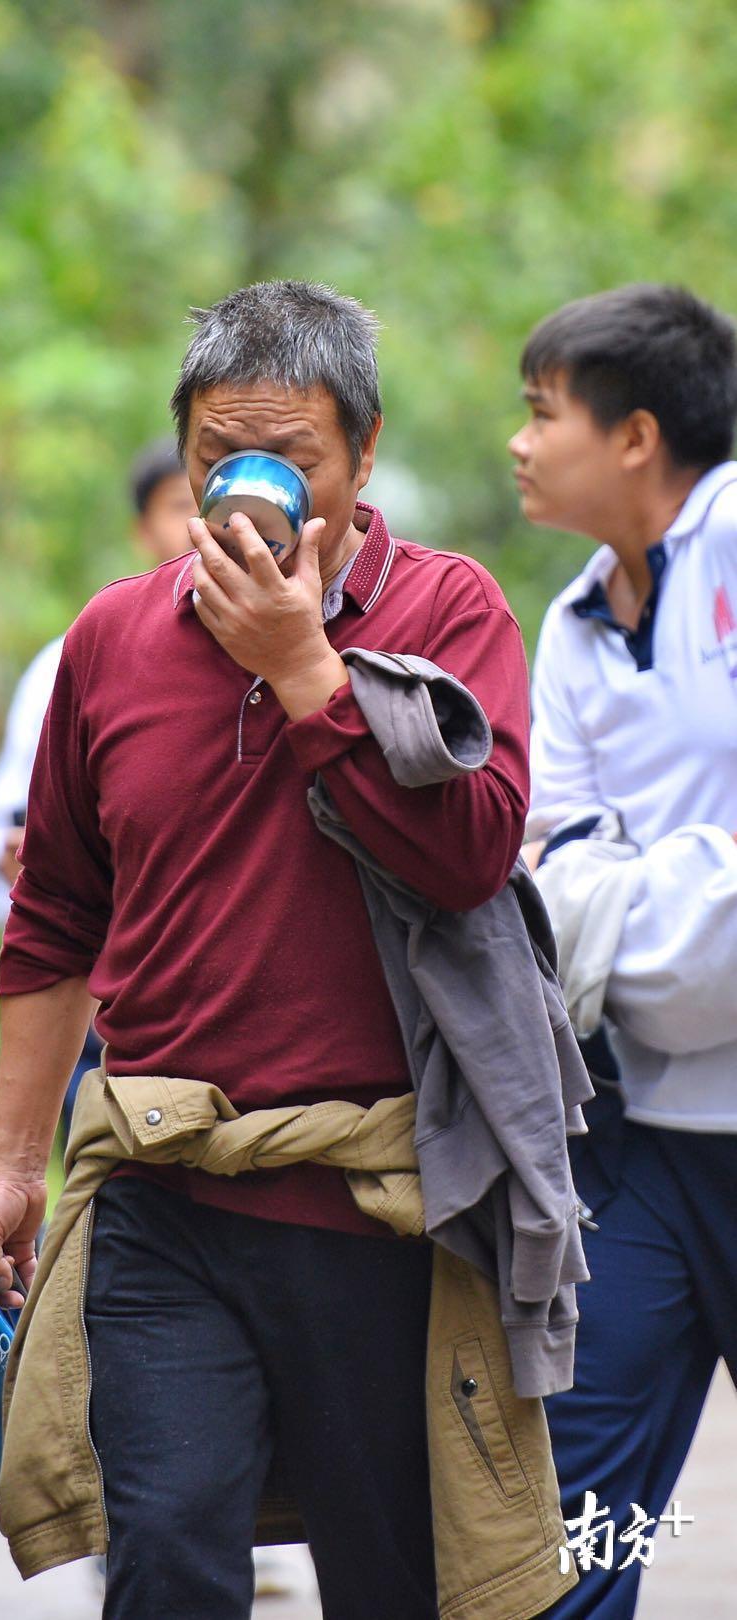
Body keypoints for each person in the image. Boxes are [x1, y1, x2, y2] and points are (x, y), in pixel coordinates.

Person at [0, 281, 557, 1620]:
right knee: (164, 1557)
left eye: (291, 460)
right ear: (180, 458)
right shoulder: (110, 640)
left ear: (361, 454)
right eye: (220, 455)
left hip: (377, 1205)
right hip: (160, 1192)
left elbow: (466, 855)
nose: (251, 490)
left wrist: (304, 670)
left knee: (390, 1574)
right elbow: (54, 913)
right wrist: (7, 1166)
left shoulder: (448, 612)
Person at [510, 283, 737, 1618]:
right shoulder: (568, 623)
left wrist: (626, 899)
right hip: (639, 1146)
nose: (519, 444)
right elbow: (552, 889)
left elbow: (594, 909)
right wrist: (704, 888)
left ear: (635, 435)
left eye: (542, 413)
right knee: (563, 1533)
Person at [0, 437, 195, 1133]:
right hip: (102, 990)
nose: (199, 526)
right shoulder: (81, 653)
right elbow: (6, 835)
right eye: (178, 507)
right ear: (141, 528)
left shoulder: (287, 644)